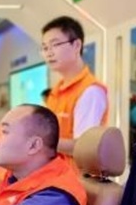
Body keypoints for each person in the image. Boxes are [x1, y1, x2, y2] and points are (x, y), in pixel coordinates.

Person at [42, 16, 108, 158]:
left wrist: (41, 142)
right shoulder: (56, 91)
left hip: (75, 172)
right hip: (55, 170)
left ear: (76, 45)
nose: (49, 53)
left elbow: (83, 146)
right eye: (45, 47)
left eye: (55, 45)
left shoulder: (90, 91)